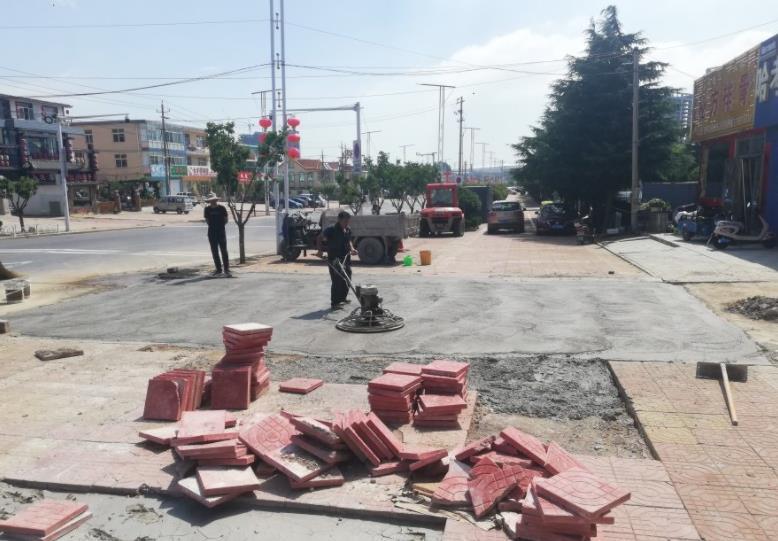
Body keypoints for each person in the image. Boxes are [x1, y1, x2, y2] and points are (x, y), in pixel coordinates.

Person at [317, 211, 357, 309]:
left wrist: (352, 249)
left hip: (345, 258)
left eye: (348, 221)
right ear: (339, 220)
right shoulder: (331, 229)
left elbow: (349, 240)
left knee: (347, 278)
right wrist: (320, 251)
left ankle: (343, 298)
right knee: (337, 280)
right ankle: (335, 302)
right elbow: (319, 238)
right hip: (334, 258)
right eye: (345, 221)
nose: (347, 223)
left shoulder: (347, 229)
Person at [203, 192, 230, 277]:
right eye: (211, 200)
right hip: (211, 232)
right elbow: (207, 221)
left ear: (216, 200)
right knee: (214, 251)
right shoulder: (207, 209)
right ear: (209, 201)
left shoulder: (222, 208)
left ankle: (226, 269)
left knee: (224, 251)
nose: (213, 202)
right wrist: (213, 226)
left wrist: (220, 226)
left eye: (214, 200)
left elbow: (226, 220)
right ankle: (218, 269)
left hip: (221, 232)